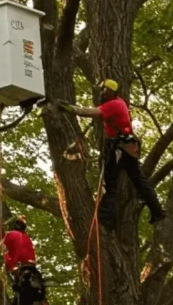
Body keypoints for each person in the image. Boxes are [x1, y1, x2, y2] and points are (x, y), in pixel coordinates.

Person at [57, 79, 166, 229]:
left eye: (105, 90)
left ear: (111, 92)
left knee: (110, 182)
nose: (102, 93)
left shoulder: (113, 105)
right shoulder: (120, 102)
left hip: (119, 148)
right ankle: (157, 210)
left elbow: (91, 112)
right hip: (126, 146)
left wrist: (70, 108)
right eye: (102, 90)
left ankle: (106, 220)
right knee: (138, 180)